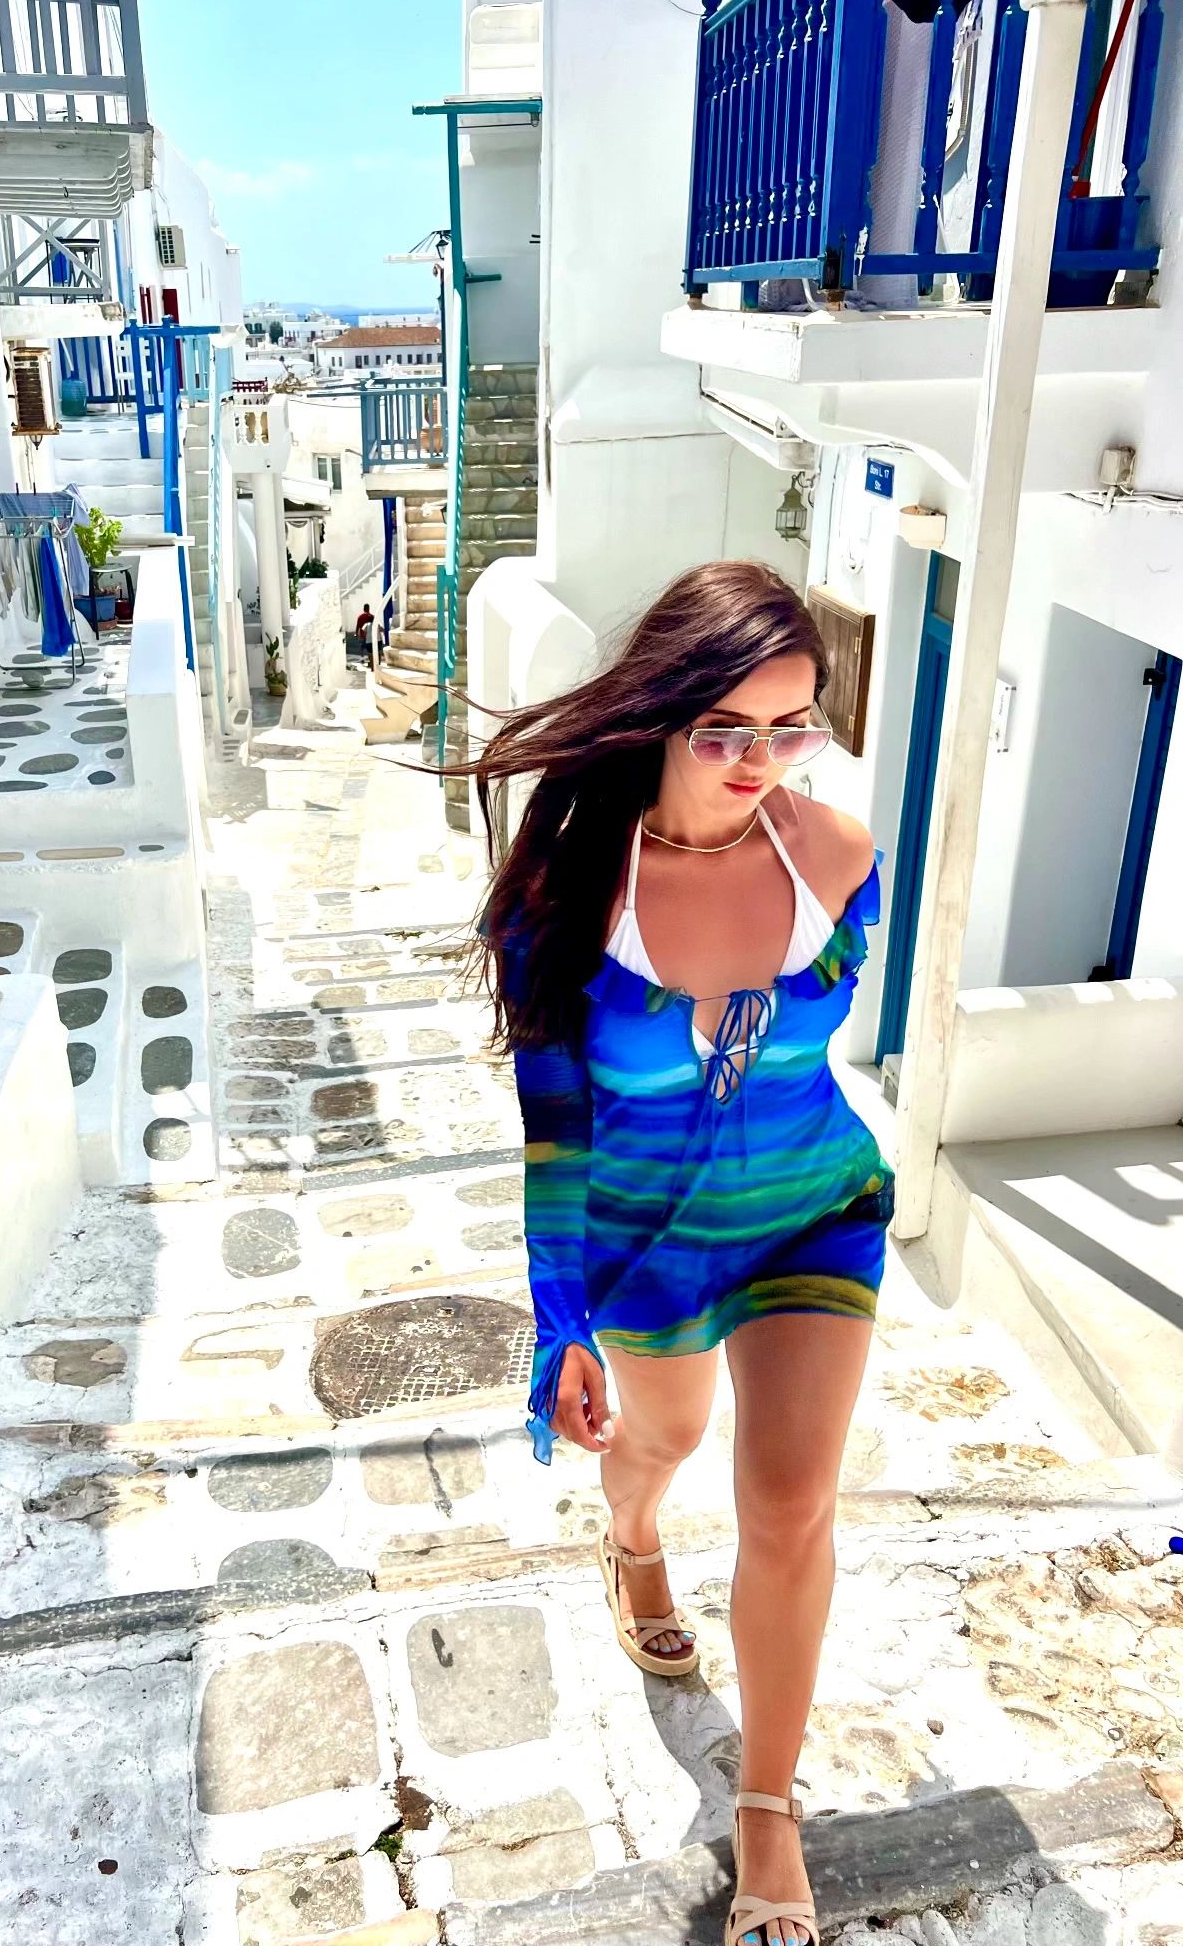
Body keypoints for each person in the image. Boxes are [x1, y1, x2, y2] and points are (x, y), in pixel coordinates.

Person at [468, 563, 893, 1946]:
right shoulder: (572, 885)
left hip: (811, 1215)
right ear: (661, 710)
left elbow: (800, 1050)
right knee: (666, 1438)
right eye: (729, 728)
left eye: (791, 726)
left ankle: (766, 1806)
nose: (762, 762)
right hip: (646, 1244)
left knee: (787, 1499)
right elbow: (554, 1131)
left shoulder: (835, 855)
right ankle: (631, 1538)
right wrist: (559, 1318)